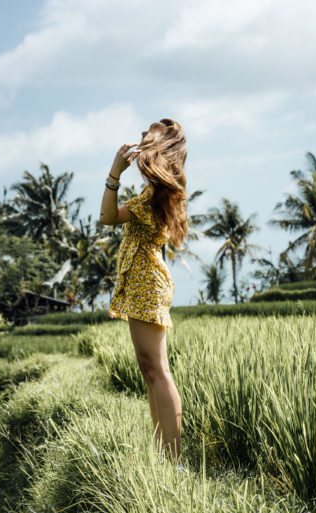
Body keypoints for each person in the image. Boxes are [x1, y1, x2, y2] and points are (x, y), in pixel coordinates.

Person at [99, 118, 188, 467]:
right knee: (149, 369)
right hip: (142, 281)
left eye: (146, 134)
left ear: (160, 145)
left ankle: (174, 460)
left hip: (147, 282)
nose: (139, 137)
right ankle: (164, 456)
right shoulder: (156, 190)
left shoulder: (158, 192)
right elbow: (110, 216)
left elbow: (107, 217)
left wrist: (115, 172)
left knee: (158, 370)